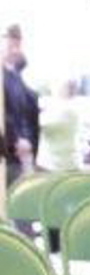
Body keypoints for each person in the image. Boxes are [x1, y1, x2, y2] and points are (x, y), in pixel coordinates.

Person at [3, 23, 40, 186]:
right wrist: (16, 140)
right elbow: (3, 112)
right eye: (11, 44)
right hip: (11, 150)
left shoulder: (15, 73)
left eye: (17, 44)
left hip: (24, 149)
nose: (15, 49)